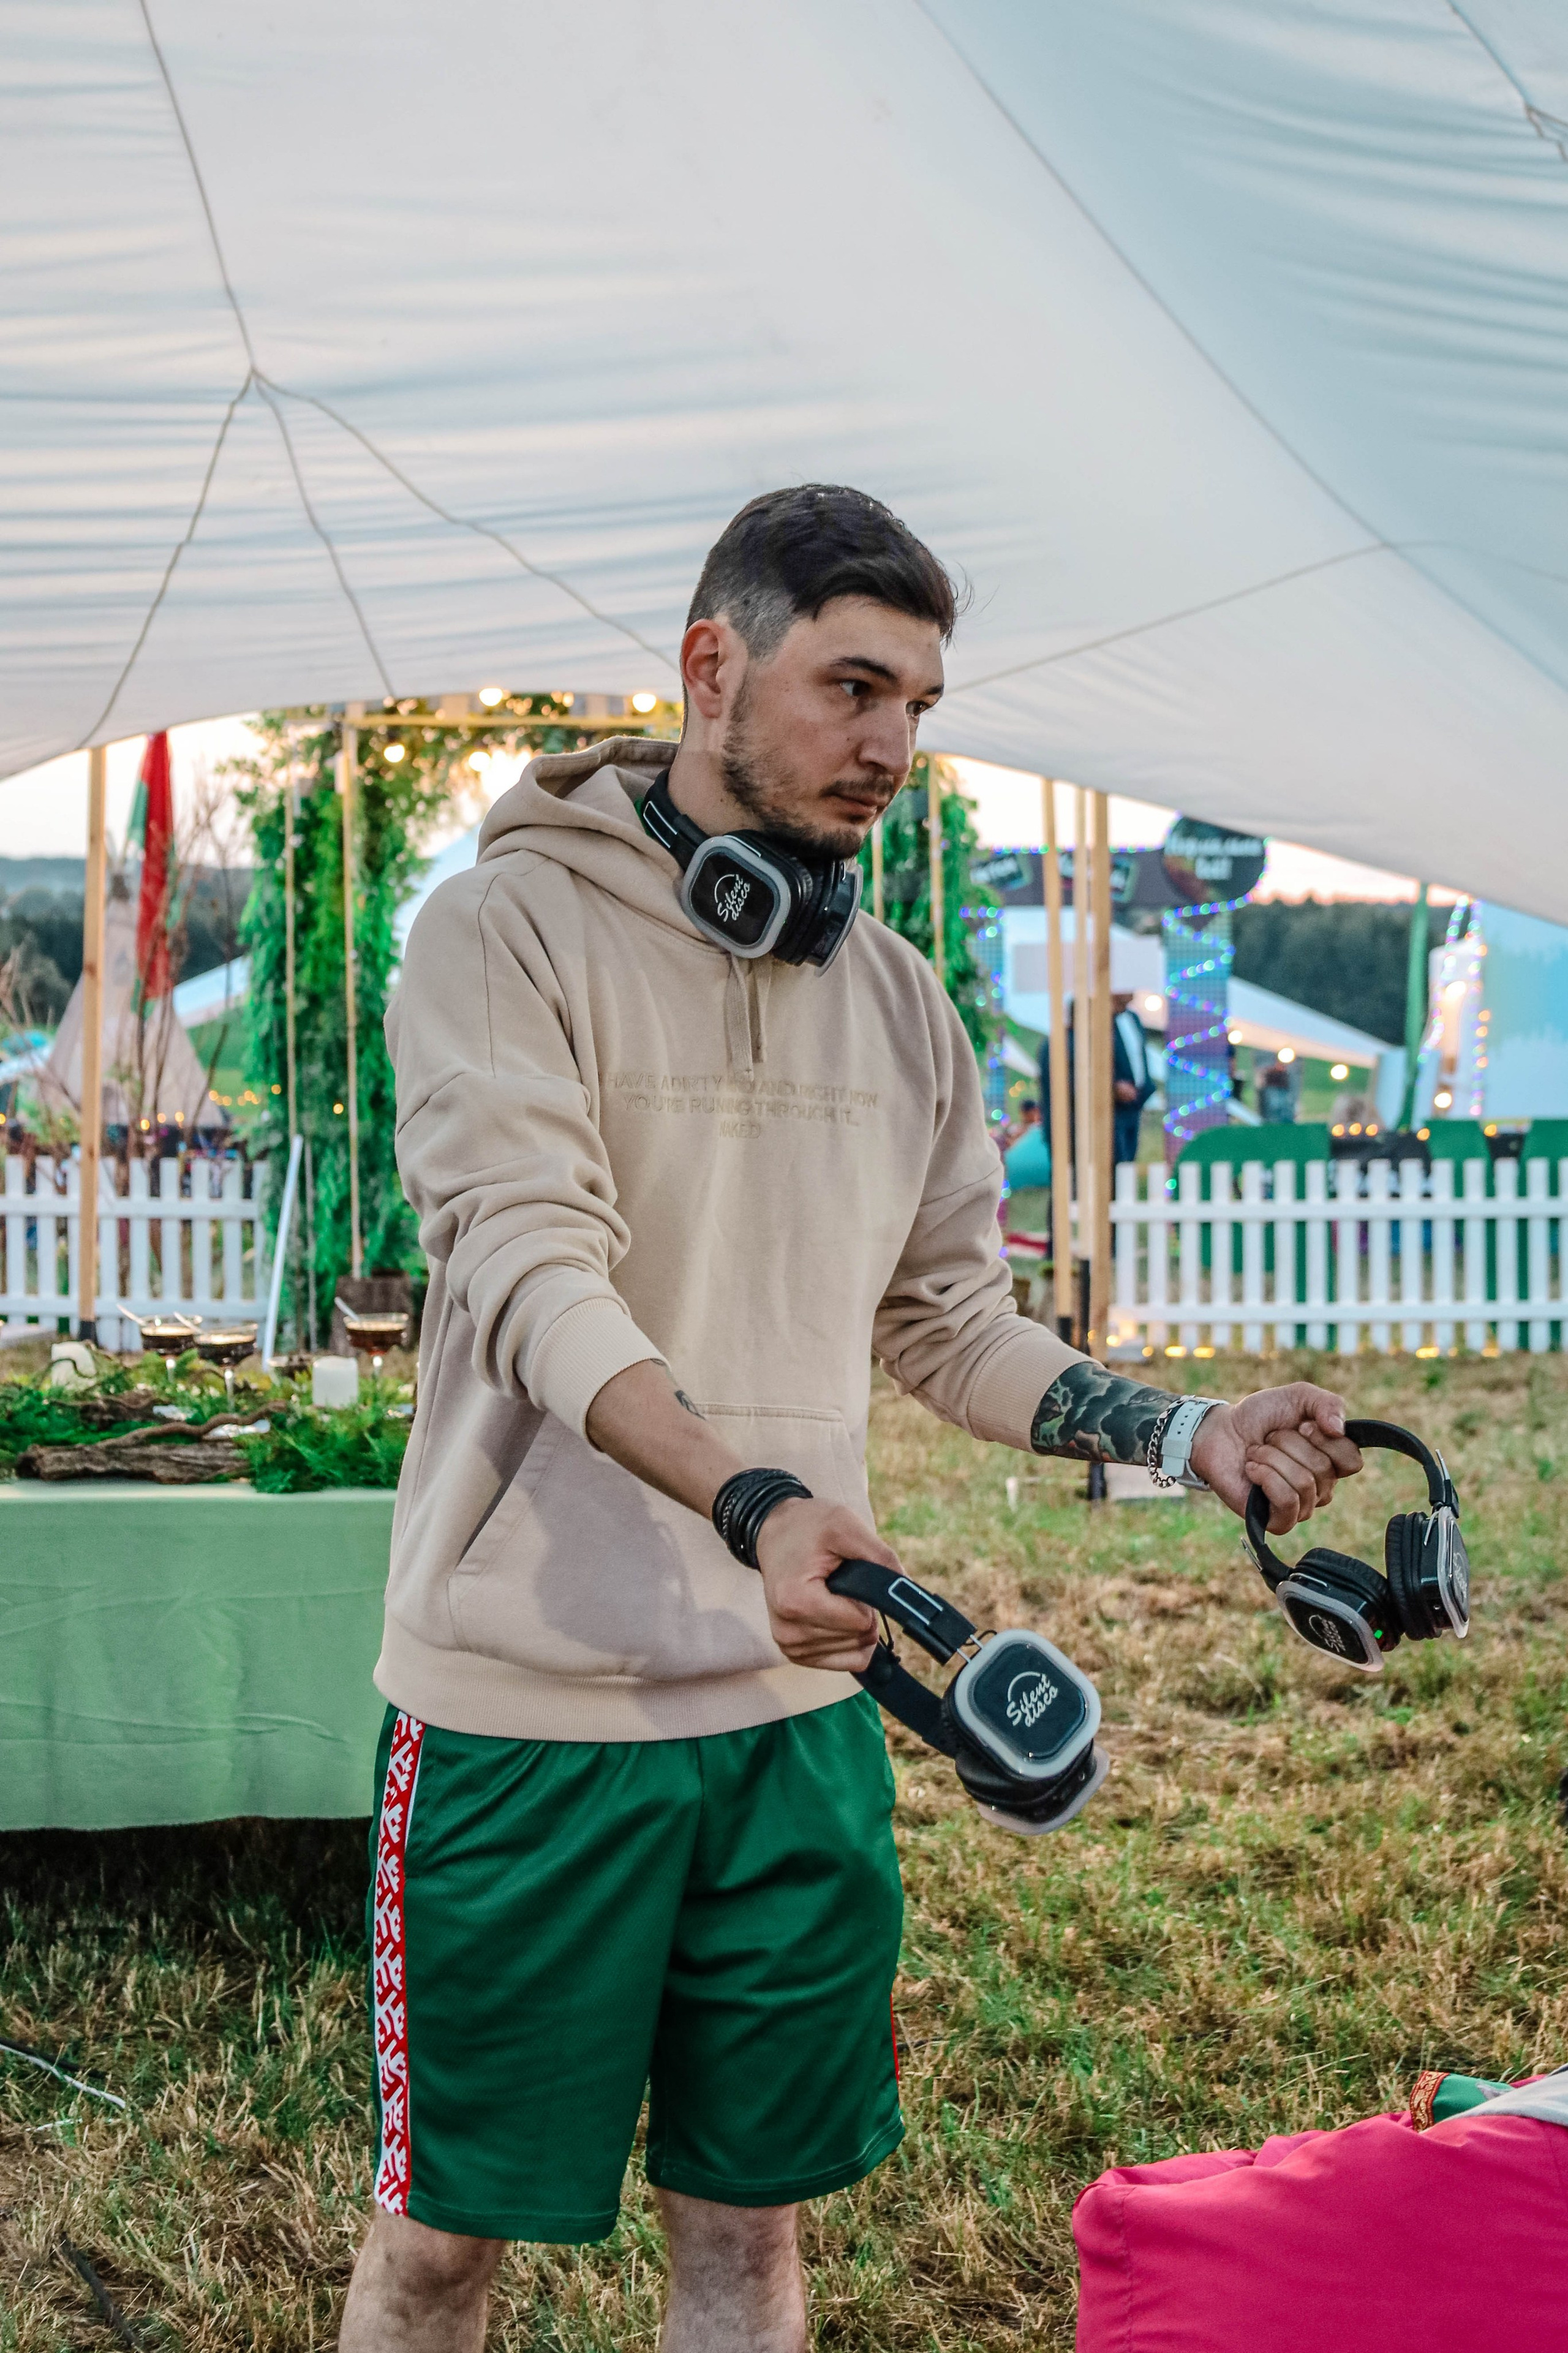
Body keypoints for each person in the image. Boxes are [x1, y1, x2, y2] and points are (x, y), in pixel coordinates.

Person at [341, 482, 1363, 2353]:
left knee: (748, 2245)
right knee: (439, 2255)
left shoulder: (894, 999)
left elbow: (946, 1316)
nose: (891, 742)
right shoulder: (497, 933)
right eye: (851, 686)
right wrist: (752, 1499)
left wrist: (1182, 1425)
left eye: (917, 702)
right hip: (526, 1718)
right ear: (711, 665)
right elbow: (527, 1267)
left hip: (802, 1716)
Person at [1038, 992, 1156, 1169]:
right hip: (1072, 1129)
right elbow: (1073, 1084)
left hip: (1114, 1118)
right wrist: (1112, 1088)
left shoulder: (1085, 1040)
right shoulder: (1064, 1044)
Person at [1111, 990, 1156, 1165]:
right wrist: (1113, 1086)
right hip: (1113, 1103)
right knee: (1117, 1158)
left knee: (1130, 1157)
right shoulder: (1102, 1021)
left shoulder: (1134, 1018)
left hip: (1135, 1101)